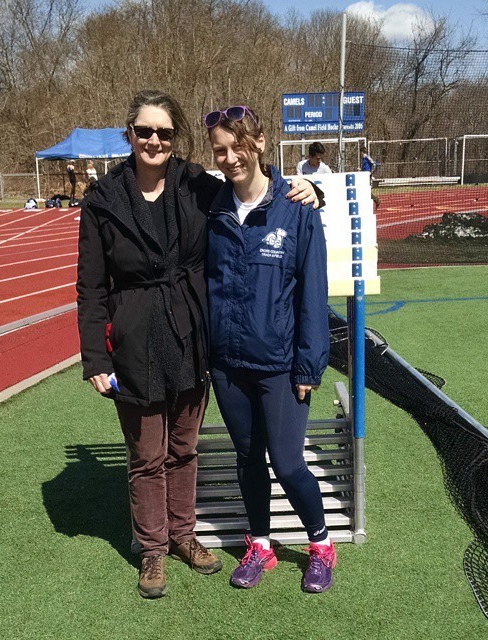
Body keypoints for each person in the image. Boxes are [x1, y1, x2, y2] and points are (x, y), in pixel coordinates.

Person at [76, 90, 320, 600]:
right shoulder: (102, 199)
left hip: (191, 338)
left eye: (164, 132)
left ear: (175, 138)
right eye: (145, 131)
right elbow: (91, 287)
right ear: (130, 135)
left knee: (183, 450)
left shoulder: (196, 186)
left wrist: (309, 190)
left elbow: (255, 186)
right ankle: (152, 550)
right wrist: (95, 357)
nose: (154, 140)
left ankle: (185, 536)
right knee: (147, 456)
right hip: (135, 340)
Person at [203, 105, 335, 593]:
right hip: (228, 364)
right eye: (220, 149)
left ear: (259, 143)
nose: (230, 157)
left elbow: (312, 294)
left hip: (281, 365)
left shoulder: (297, 208)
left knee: (288, 462)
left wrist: (309, 364)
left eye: (238, 145)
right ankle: (260, 545)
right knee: (247, 458)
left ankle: (320, 545)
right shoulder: (211, 208)